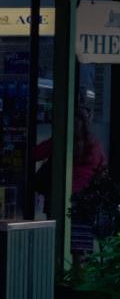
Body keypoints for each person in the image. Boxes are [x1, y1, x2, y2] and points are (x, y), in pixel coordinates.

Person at [34, 106, 106, 251]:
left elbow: (35, 154)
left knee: (55, 243)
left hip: (57, 197)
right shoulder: (95, 145)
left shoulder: (59, 141)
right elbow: (102, 169)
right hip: (84, 201)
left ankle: (57, 264)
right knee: (81, 248)